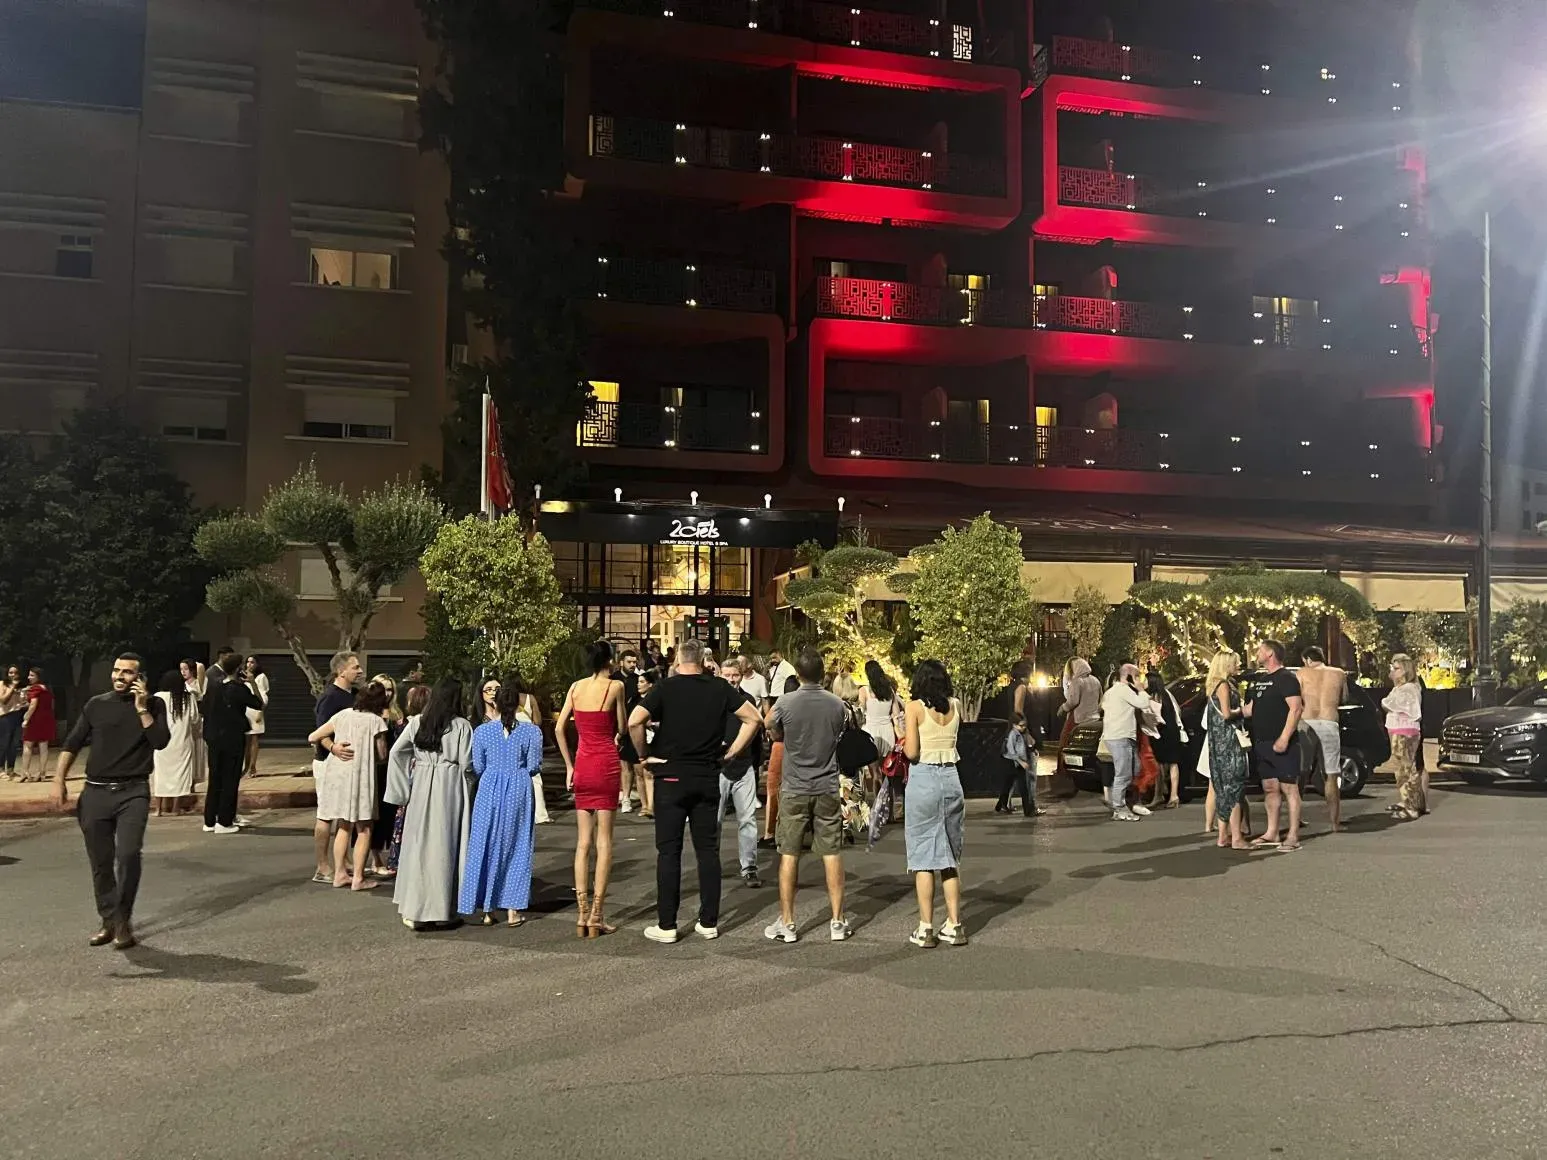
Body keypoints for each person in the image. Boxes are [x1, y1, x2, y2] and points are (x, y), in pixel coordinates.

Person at [629, 638, 762, 944]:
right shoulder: (719, 687)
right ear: (703, 661)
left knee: (669, 852)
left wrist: (643, 755)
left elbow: (635, 721)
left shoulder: (665, 688)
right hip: (706, 775)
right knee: (707, 851)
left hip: (670, 776)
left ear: (677, 660)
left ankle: (667, 924)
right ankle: (708, 921)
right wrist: (731, 753)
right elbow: (753, 718)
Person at [54, 653, 170, 950]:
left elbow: (160, 741)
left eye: (127, 672)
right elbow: (72, 742)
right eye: (117, 670)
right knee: (101, 861)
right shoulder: (96, 704)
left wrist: (141, 708)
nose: (120, 676)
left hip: (133, 792)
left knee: (128, 854)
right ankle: (109, 920)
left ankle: (122, 919)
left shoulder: (154, 705)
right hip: (95, 792)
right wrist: (59, 780)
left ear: (140, 678)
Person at [763, 648, 851, 944]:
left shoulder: (786, 702)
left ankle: (788, 922)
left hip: (795, 786)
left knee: (789, 853)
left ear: (797, 674)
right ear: (822, 674)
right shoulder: (836, 704)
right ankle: (837, 921)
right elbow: (840, 731)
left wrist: (781, 735)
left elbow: (768, 723)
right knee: (831, 852)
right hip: (826, 785)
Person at [385, 678, 472, 931]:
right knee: (445, 846)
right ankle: (443, 910)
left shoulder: (417, 723)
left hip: (422, 787)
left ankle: (414, 909)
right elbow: (468, 763)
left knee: (419, 846)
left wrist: (401, 790)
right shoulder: (461, 726)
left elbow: (396, 752)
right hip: (450, 787)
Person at [554, 641, 628, 937]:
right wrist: (617, 735)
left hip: (583, 763)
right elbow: (622, 727)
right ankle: (597, 915)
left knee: (583, 842)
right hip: (606, 763)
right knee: (604, 841)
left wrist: (569, 765)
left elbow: (559, 728)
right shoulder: (615, 687)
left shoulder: (575, 687)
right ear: (609, 660)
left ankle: (582, 914)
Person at [460, 679, 544, 927]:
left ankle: (487, 909)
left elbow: (478, 766)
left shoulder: (482, 731)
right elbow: (534, 765)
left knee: (485, 843)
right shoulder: (531, 731)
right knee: (517, 845)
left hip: (489, 787)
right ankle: (512, 910)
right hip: (518, 786)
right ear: (518, 703)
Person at [900, 659, 968, 948]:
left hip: (924, 780)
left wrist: (902, 740)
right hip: (952, 779)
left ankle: (925, 928)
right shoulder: (956, 706)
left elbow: (912, 752)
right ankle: (954, 925)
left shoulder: (914, 707)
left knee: (923, 857)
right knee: (949, 857)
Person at [308, 681, 391, 889]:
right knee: (364, 827)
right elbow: (382, 754)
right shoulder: (376, 721)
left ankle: (340, 874)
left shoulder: (342, 715)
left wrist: (333, 747)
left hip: (338, 775)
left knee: (344, 824)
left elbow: (313, 736)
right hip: (361, 776)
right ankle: (358, 878)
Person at [1243, 639, 1305, 851]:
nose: (1257, 653)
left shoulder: (1286, 678)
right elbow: (1250, 709)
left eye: (1260, 650)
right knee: (1269, 788)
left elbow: (1296, 708)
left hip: (1282, 743)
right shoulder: (1261, 680)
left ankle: (1293, 836)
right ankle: (1272, 833)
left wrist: (1284, 738)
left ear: (1270, 654)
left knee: (1289, 788)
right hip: (1262, 742)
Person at [311, 651, 362, 881]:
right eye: (355, 667)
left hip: (345, 764)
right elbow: (319, 731)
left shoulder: (355, 695)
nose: (360, 671)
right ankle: (322, 867)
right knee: (325, 815)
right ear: (341, 671)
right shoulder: (330, 697)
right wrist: (333, 748)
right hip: (327, 763)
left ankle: (344, 861)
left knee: (345, 813)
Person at [200, 652, 263, 834]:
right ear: (238, 669)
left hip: (214, 738)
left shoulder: (214, 686)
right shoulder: (238, 689)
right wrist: (252, 683)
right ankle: (224, 821)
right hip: (232, 738)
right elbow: (259, 703)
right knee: (230, 779)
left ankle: (210, 820)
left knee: (215, 779)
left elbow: (204, 708)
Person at [717, 657, 764, 890]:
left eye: (734, 675)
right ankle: (711, 865)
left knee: (747, 819)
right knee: (714, 820)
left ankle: (749, 867)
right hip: (717, 768)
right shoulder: (713, 700)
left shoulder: (747, 701)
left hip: (744, 766)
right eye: (726, 675)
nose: (731, 679)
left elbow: (756, 735)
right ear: (720, 676)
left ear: (741, 675)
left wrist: (756, 764)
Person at [1203, 650, 1251, 850]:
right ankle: (1237, 838)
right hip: (1228, 741)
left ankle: (1223, 836)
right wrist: (1244, 711)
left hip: (1218, 742)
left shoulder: (1214, 685)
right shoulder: (1223, 685)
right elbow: (1226, 714)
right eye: (1235, 662)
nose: (1238, 665)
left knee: (1223, 789)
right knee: (1234, 787)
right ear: (1226, 664)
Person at [1298, 645, 1348, 832]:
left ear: (1307, 660)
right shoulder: (1339, 673)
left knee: (1302, 771)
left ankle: (1297, 818)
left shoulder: (1301, 673)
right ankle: (1335, 823)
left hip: (1306, 722)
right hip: (1329, 722)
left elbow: (1296, 700)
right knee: (1331, 774)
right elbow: (1344, 698)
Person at [385, 683, 432, 872]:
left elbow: (397, 751)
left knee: (406, 817)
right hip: (425, 773)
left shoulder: (412, 722)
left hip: (413, 773)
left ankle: (400, 860)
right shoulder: (432, 722)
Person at [1101, 663, 1154, 822]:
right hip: (1120, 737)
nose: (1139, 680)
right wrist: (1141, 690)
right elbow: (1143, 703)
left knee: (1133, 769)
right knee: (1123, 773)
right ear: (1130, 676)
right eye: (1137, 676)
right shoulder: (1124, 690)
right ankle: (1119, 808)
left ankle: (1119, 801)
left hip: (1120, 736)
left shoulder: (1111, 691)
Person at [367, 673, 405, 876]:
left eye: (390, 689)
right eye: (383, 689)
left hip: (394, 769)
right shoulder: (368, 714)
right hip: (376, 769)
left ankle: (391, 856)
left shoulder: (397, 713)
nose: (387, 693)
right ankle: (376, 859)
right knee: (375, 815)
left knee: (391, 814)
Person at [995, 661, 1043, 817]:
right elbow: (1018, 710)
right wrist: (1027, 734)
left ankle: (1004, 803)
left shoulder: (1013, 686)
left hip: (1015, 732)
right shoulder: (1021, 687)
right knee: (1030, 772)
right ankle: (1031, 806)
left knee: (1014, 772)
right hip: (1022, 734)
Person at [151, 670, 200, 817]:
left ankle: (158, 809)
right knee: (181, 775)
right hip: (182, 742)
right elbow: (195, 719)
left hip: (163, 743)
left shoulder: (158, 696)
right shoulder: (188, 697)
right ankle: (176, 809)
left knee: (160, 775)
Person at [1383, 652, 1424, 821]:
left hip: (1404, 733)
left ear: (1406, 670)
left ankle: (1411, 807)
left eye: (1397, 668)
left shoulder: (1409, 689)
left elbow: (1392, 704)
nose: (1393, 671)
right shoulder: (1400, 688)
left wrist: (1386, 702)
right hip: (1399, 731)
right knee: (1406, 769)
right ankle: (1411, 803)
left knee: (1404, 772)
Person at [760, 674, 800, 846]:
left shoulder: (782, 703)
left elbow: (767, 722)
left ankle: (769, 833)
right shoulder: (805, 704)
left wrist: (775, 733)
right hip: (801, 748)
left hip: (781, 746)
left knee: (774, 790)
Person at [511, 676, 552, 825]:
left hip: (512, 739)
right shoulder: (529, 698)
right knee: (535, 777)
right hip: (529, 738)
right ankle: (541, 815)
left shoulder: (506, 699)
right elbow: (538, 721)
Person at [859, 659, 904, 791]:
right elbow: (896, 714)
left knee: (875, 774)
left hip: (871, 733)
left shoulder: (864, 691)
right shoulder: (889, 691)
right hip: (887, 733)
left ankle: (877, 801)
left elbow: (860, 712)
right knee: (887, 772)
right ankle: (887, 800)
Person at [613, 649, 643, 813]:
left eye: (634, 662)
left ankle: (628, 798)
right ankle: (623, 797)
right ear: (621, 662)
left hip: (632, 726)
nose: (632, 665)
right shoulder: (613, 680)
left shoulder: (638, 681)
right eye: (629, 662)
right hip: (614, 727)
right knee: (622, 765)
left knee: (635, 766)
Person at [20, 666, 57, 782]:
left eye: (32, 675)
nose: (29, 677)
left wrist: (26, 718)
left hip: (35, 719)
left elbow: (33, 705)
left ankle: (25, 772)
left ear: (38, 677)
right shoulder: (47, 688)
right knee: (43, 746)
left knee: (27, 745)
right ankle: (42, 773)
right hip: (47, 718)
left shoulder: (35, 688)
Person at [633, 668, 659, 818]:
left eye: (642, 682)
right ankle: (645, 805)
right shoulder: (635, 699)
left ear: (650, 684)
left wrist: (652, 724)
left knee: (649, 772)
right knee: (640, 772)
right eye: (638, 682)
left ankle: (651, 806)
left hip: (653, 738)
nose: (638, 684)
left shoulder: (655, 699)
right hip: (638, 738)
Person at [241, 656, 270, 778]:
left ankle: (252, 767)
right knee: (245, 741)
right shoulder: (243, 676)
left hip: (256, 709)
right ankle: (246, 766)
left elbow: (263, 695)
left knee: (254, 739)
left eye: (252, 662)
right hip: (245, 710)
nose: (249, 664)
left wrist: (261, 711)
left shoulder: (261, 677)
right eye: (248, 662)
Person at [0, 664, 26, 777]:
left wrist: (25, 702)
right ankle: (0, 769)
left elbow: (22, 703)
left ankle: (11, 769)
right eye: (11, 673)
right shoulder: (2, 684)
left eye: (16, 673)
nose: (13, 675)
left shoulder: (21, 687)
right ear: (7, 674)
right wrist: (12, 687)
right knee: (4, 743)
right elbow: (3, 700)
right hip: (5, 716)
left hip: (17, 715)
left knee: (14, 744)